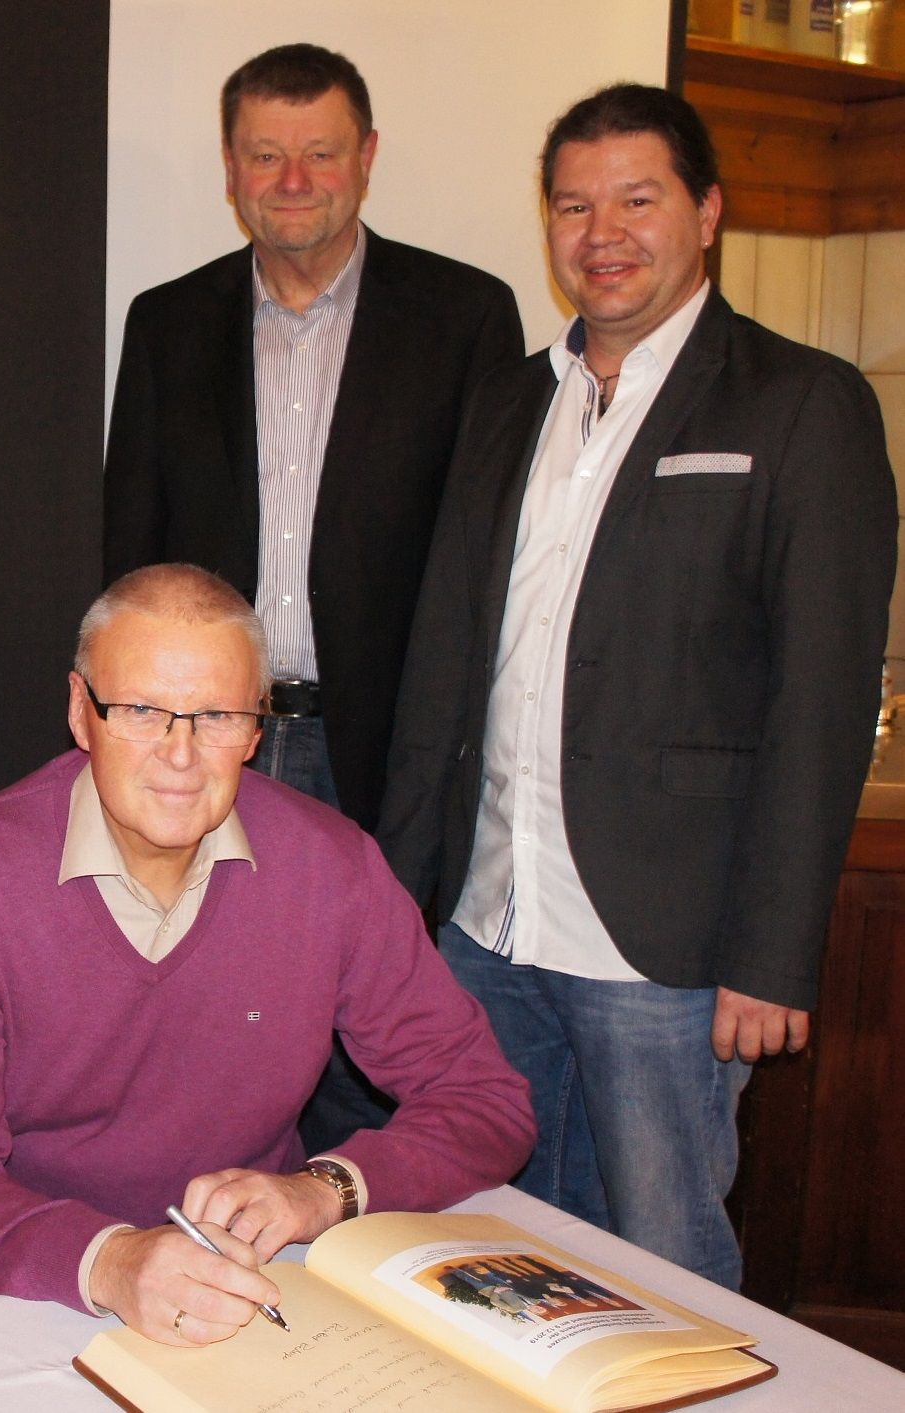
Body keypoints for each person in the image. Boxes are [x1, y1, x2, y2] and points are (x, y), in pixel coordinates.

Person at [377, 83, 895, 1290]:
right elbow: (445, 661)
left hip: (669, 943)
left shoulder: (802, 403)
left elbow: (822, 706)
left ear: (707, 213)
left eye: (637, 199)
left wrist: (774, 954)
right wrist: (403, 899)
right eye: (573, 206)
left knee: (662, 1264)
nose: (602, 232)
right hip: (487, 921)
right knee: (491, 1253)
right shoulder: (507, 400)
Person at [0, 565, 531, 1390]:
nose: (179, 755)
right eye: (140, 710)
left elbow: (484, 1102)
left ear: (256, 727)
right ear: (80, 710)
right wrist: (109, 1259)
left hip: (252, 1263)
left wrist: (323, 1191)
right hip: (23, 1256)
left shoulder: (331, 866)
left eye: (216, 716)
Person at [103, 44, 525, 1156]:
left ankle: (352, 1250)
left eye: (320, 154)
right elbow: (130, 556)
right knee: (203, 1030)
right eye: (265, 155)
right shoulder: (165, 323)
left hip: (377, 751)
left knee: (370, 1059)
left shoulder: (465, 318)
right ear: (230, 168)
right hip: (205, 746)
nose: (293, 181)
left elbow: (483, 565)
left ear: (367, 157)